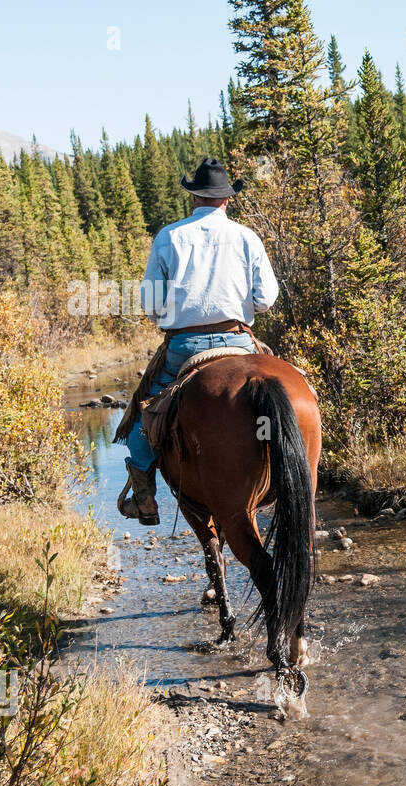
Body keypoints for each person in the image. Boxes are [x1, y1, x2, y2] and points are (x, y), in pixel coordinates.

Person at [117, 158, 279, 525]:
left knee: (146, 413)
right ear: (227, 200)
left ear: (193, 198)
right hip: (238, 343)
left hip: (184, 349)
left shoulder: (169, 237)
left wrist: (170, 316)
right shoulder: (246, 237)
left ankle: (144, 498)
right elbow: (266, 298)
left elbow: (151, 304)